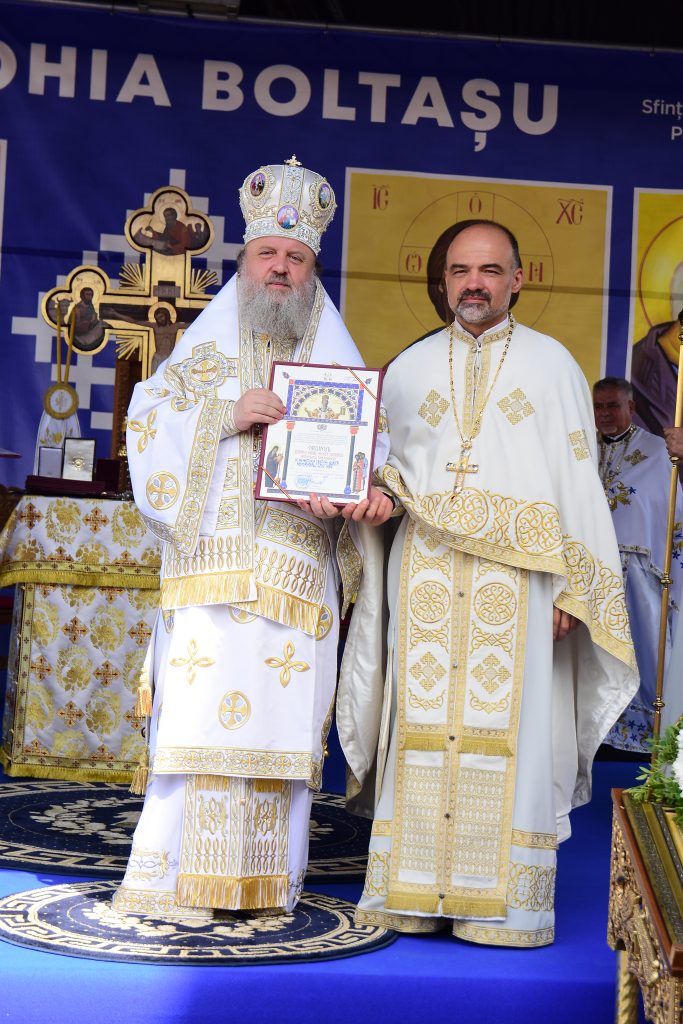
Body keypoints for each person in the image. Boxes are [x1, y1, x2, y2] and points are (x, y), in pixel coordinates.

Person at [337, 219, 638, 948]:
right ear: (442, 281)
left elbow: (577, 486)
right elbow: (389, 476)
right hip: (426, 577)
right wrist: (374, 503)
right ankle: (411, 893)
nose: (474, 284)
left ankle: (499, 907)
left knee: (514, 731)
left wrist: (573, 589)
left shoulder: (552, 367)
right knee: (418, 722)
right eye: (460, 271)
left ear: (517, 279)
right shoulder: (407, 370)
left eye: (490, 270)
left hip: (520, 584)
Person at [112, 157, 392, 921]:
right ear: (245, 259)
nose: (280, 268)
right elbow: (147, 420)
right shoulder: (204, 347)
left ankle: (267, 887)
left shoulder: (332, 354)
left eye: (295, 257)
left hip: (294, 574)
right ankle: (171, 882)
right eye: (268, 252)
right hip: (212, 570)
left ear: (311, 270)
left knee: (278, 730)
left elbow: (374, 448)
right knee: (196, 726)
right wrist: (225, 415)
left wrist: (355, 493)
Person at [593, 377, 683, 752]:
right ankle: (595, 730)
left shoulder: (658, 452)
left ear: (630, 407)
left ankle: (643, 733)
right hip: (590, 573)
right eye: (598, 407)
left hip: (638, 575)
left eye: (612, 406)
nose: (604, 414)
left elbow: (669, 509)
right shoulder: (581, 451)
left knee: (642, 649)